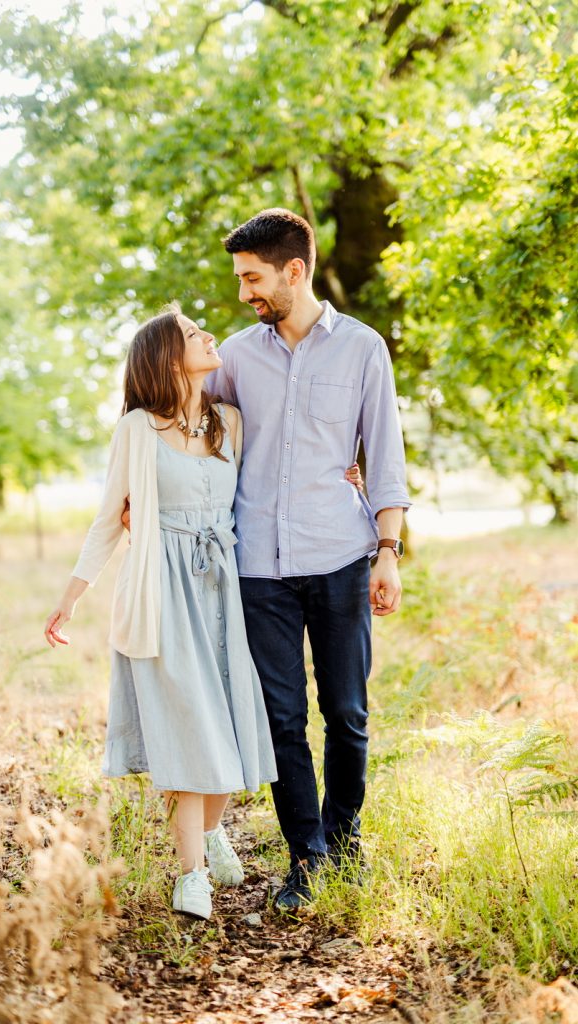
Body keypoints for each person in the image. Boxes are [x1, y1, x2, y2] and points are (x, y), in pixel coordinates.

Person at [204, 208, 411, 910]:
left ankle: (345, 841)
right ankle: (307, 859)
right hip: (257, 565)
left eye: (252, 278)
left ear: (294, 271)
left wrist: (387, 551)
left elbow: (383, 456)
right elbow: (187, 429)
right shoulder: (232, 356)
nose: (244, 294)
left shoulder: (361, 349)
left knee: (346, 712)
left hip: (341, 558)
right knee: (281, 719)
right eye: (240, 280)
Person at [43, 303, 278, 921]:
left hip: (223, 591)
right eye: (192, 334)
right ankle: (190, 875)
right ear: (167, 358)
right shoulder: (136, 431)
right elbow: (107, 519)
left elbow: (259, 496)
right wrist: (70, 597)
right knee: (186, 731)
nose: (207, 336)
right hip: (162, 592)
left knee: (225, 723)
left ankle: (211, 831)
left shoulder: (230, 420)